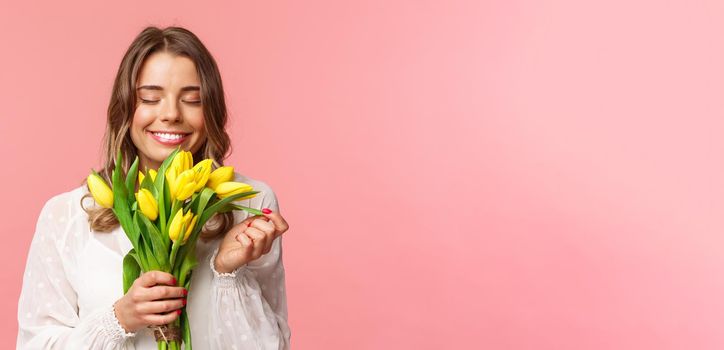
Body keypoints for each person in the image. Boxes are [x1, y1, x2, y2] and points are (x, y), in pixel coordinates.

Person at [16, 26, 291, 349]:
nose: (171, 114)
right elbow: (35, 344)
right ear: (125, 107)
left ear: (212, 109)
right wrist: (119, 319)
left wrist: (226, 272)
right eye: (150, 98)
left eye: (193, 100)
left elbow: (274, 343)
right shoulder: (67, 215)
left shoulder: (249, 202)